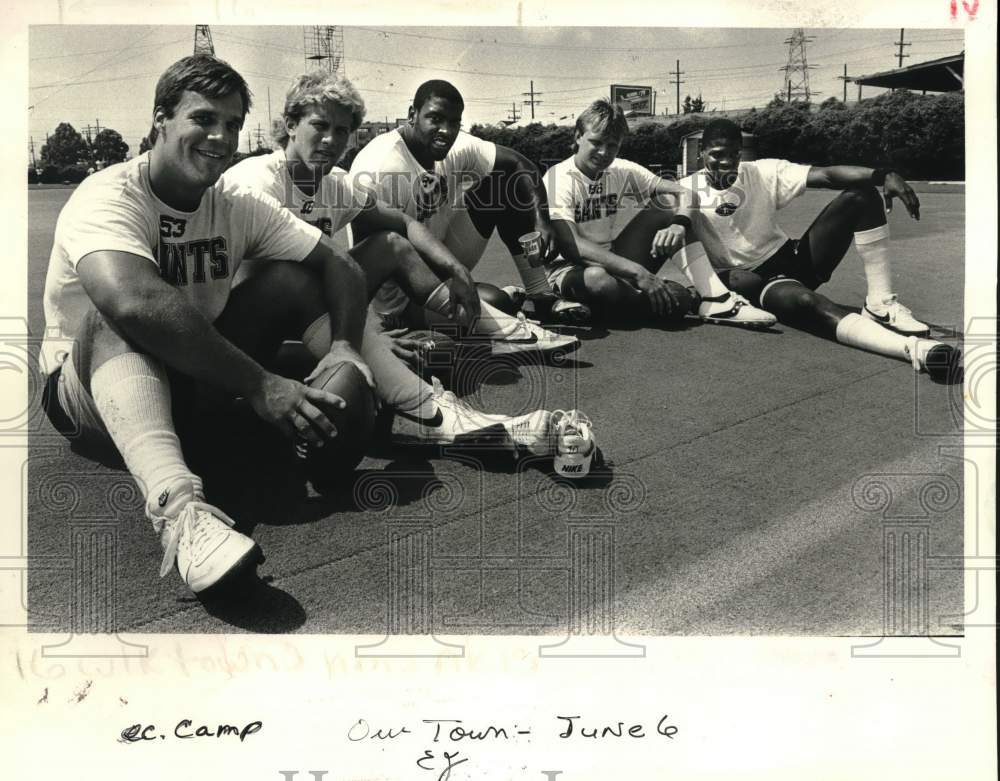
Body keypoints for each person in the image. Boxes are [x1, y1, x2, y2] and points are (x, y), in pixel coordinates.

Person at [39, 54, 377, 598]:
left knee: (290, 277)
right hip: (86, 396)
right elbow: (130, 300)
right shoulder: (108, 193)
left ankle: (375, 400)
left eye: (233, 124)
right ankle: (179, 511)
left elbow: (341, 265)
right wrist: (261, 384)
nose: (220, 137)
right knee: (118, 311)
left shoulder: (238, 203)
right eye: (203, 119)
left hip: (190, 381)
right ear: (160, 119)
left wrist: (344, 348)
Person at [221, 71, 559, 450]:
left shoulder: (335, 182)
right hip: (246, 346)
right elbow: (307, 277)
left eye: (343, 130)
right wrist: (370, 336)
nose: (331, 140)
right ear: (290, 125)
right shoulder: (254, 181)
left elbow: (404, 224)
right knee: (295, 280)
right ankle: (441, 417)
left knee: (390, 246)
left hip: (307, 327)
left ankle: (501, 338)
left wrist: (454, 269)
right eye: (319, 125)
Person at [679, 118, 961, 379]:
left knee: (862, 195)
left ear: (741, 153)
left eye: (733, 155)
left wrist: (883, 174)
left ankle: (880, 302)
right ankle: (916, 350)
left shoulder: (761, 171)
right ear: (700, 153)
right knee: (806, 303)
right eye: (717, 154)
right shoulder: (684, 189)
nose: (726, 162)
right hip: (754, 281)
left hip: (792, 258)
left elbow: (826, 175)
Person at [348, 79, 587, 352]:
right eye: (435, 119)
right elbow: (370, 255)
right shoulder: (381, 165)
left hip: (443, 259)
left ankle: (542, 296)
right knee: (497, 304)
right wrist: (371, 329)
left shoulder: (457, 146)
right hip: (400, 298)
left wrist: (541, 219)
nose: (445, 131)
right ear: (412, 114)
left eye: (454, 122)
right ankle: (508, 333)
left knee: (502, 182)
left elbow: (520, 165)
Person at [543, 99, 775, 327]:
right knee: (599, 280)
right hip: (570, 270)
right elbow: (571, 244)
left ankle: (715, 298)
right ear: (577, 137)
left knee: (667, 203)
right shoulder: (559, 178)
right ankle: (644, 302)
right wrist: (637, 272)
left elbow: (686, 194)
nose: (604, 152)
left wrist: (679, 224)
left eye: (612, 145)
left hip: (613, 259)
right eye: (596, 142)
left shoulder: (620, 170)